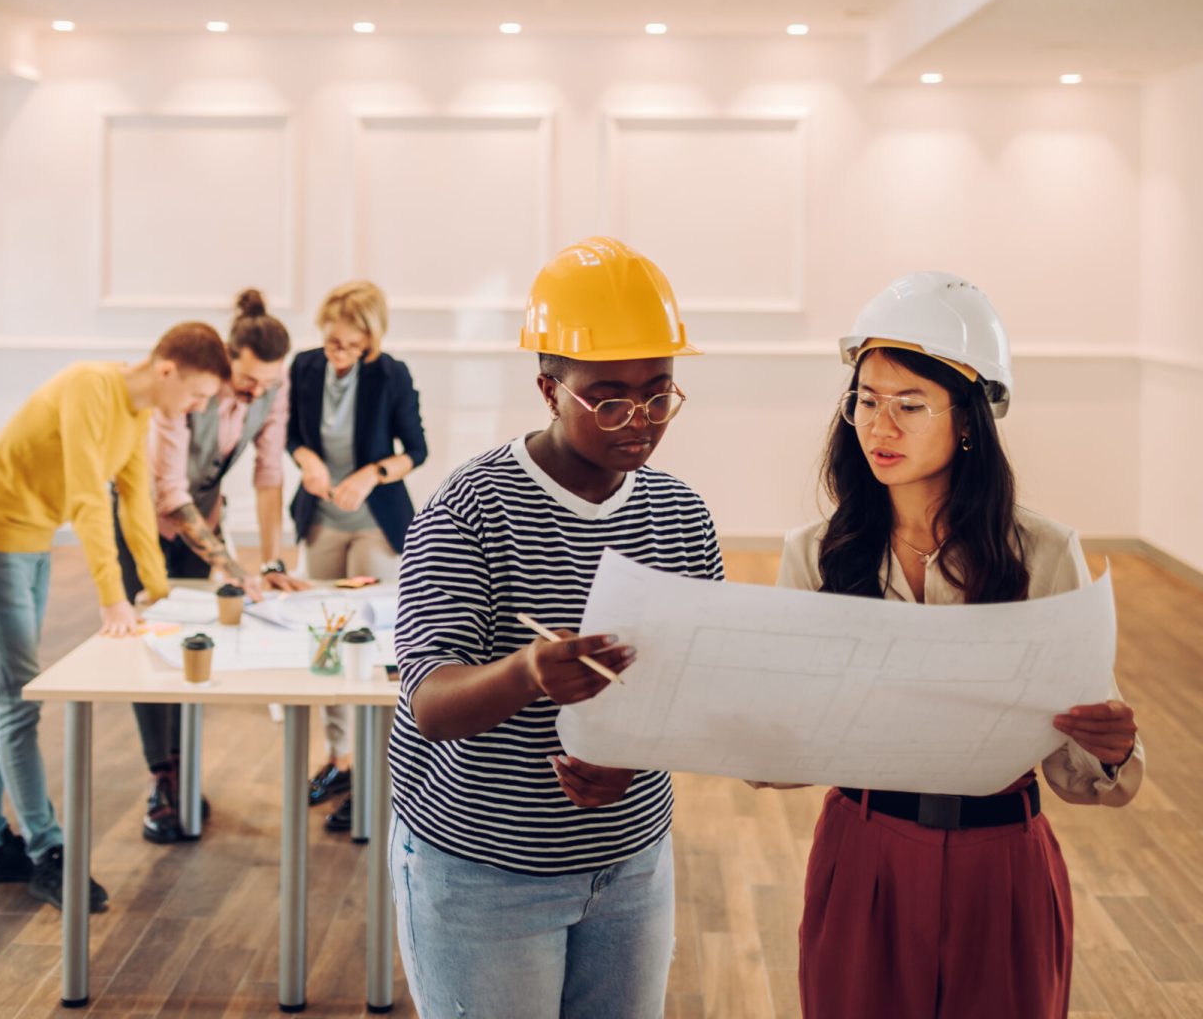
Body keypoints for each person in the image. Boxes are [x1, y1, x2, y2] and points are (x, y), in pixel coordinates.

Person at [763, 272, 1144, 1019]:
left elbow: (1080, 772)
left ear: (967, 419)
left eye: (909, 405)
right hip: (862, 852)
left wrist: (1113, 746)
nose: (880, 427)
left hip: (1001, 865)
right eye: (866, 401)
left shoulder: (1044, 553)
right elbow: (777, 757)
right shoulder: (813, 554)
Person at [388, 236, 723, 1019]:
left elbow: (700, 688)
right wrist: (527, 674)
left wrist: (636, 760)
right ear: (547, 388)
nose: (638, 420)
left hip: (631, 861)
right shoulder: (467, 509)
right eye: (608, 397)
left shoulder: (679, 514)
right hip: (480, 872)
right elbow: (429, 704)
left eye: (659, 392)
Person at [0, 323, 231, 912]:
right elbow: (85, 498)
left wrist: (158, 590)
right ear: (166, 371)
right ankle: (48, 853)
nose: (199, 407)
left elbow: (133, 505)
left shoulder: (136, 416)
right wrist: (112, 598)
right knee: (17, 698)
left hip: (28, 543)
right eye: (199, 393)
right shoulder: (87, 387)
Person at [114, 288, 308, 844]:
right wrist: (232, 567)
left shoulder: (273, 383)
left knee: (192, 641)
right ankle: (164, 779)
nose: (257, 393)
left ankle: (185, 769)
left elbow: (269, 474)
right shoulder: (188, 394)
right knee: (150, 641)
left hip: (201, 521)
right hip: (141, 526)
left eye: (269, 384)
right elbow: (169, 492)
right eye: (248, 383)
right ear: (226, 364)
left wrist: (269, 562)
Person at [287, 279, 427, 830]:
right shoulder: (304, 368)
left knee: (366, 643)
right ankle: (339, 760)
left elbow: (416, 450)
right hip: (321, 518)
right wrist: (308, 462)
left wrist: (371, 474)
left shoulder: (391, 374)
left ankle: (378, 775)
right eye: (330, 342)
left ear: (369, 338)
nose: (336, 352)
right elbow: (293, 436)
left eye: (347, 344)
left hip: (375, 522)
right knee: (326, 642)